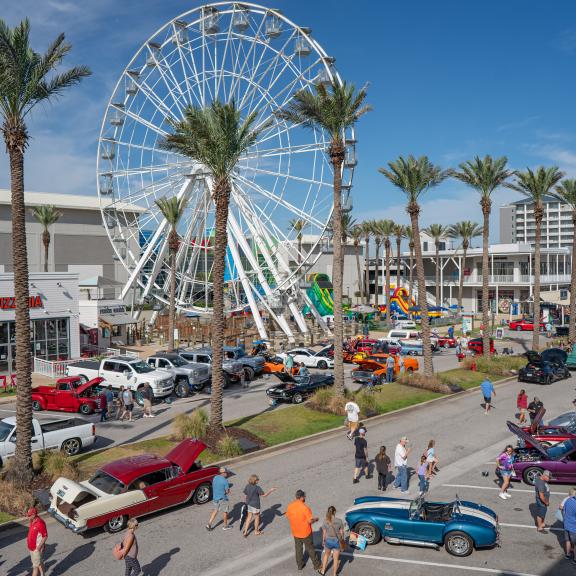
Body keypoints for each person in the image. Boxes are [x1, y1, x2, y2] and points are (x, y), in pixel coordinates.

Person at [285, 489, 321, 572]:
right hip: (305, 532)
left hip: (295, 531)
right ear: (301, 497)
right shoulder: (305, 508)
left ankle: (300, 565)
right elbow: (310, 521)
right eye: (304, 496)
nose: (305, 498)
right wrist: (315, 519)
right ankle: (317, 565)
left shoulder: (290, 506)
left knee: (298, 548)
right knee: (310, 548)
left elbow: (288, 516)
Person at [320, 506, 345, 576]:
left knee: (326, 555)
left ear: (328, 512)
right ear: (334, 512)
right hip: (336, 541)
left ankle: (322, 571)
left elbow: (324, 533)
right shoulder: (339, 521)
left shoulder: (325, 521)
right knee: (336, 558)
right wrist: (342, 540)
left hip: (328, 540)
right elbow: (342, 532)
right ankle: (334, 574)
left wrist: (323, 541)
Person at [27, 507, 47, 576]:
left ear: (33, 515)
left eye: (29, 515)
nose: (28, 517)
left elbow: (45, 536)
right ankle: (43, 574)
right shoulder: (32, 521)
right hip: (31, 548)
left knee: (35, 567)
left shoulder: (40, 523)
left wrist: (38, 548)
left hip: (36, 549)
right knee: (39, 562)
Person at [560, 487, 576, 559]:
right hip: (574, 527)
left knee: (568, 541)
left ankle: (567, 554)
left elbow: (563, 511)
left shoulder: (567, 501)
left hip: (566, 524)